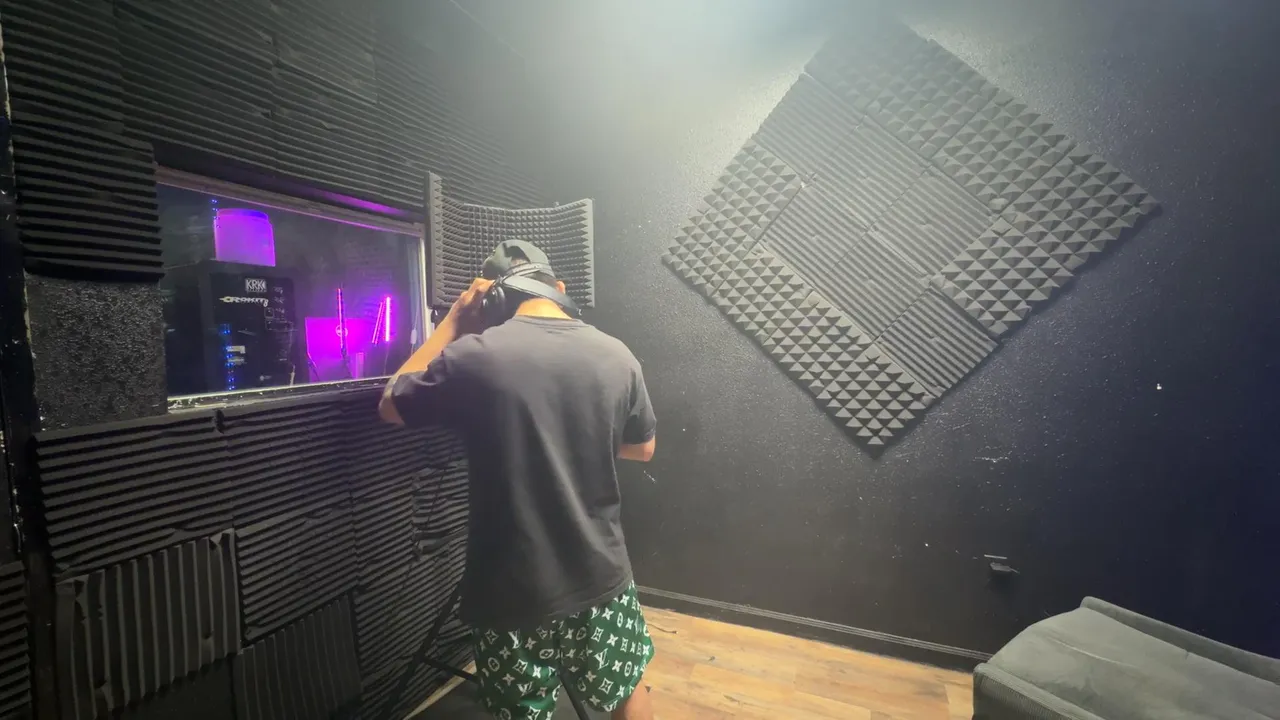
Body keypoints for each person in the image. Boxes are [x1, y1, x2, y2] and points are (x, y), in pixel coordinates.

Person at [378, 239, 658, 720]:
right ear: (559, 287)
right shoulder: (617, 354)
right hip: (601, 576)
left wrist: (455, 321)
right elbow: (643, 447)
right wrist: (575, 432)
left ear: (490, 300)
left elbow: (390, 404)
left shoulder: (473, 357)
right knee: (627, 690)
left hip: (508, 593)